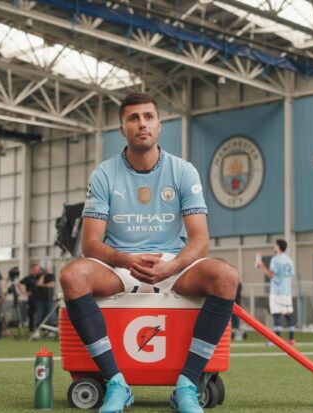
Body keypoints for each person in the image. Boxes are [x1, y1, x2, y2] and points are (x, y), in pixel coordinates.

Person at [59, 93, 239, 413]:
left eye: (148, 117)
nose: (141, 123)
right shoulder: (104, 173)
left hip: (172, 263)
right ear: (122, 129)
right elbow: (91, 244)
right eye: (133, 118)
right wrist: (126, 260)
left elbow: (199, 239)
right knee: (72, 276)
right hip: (121, 264)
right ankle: (116, 382)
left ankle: (187, 384)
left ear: (159, 125)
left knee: (226, 276)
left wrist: (172, 267)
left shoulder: (183, 171)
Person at [256, 239, 295, 345]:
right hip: (287, 291)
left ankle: (276, 340)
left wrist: (261, 266)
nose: (274, 247)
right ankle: (291, 338)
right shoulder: (289, 260)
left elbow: (271, 275)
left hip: (277, 290)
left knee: (276, 314)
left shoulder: (275, 259)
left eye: (275, 245)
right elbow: (291, 274)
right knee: (288, 314)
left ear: (278, 247)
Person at [18, 264, 41, 332]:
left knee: (39, 313)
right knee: (31, 313)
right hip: (32, 299)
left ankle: (38, 327)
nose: (38, 271)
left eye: (38, 269)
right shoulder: (28, 278)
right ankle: (31, 329)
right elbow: (18, 284)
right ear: (32, 270)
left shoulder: (38, 277)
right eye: (36, 269)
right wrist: (24, 293)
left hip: (39, 298)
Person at [35, 264, 56, 331]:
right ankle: (38, 330)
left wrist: (43, 285)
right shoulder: (39, 276)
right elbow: (38, 283)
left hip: (49, 300)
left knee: (50, 316)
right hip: (40, 300)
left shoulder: (51, 276)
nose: (46, 270)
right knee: (39, 316)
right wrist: (43, 275)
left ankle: (49, 331)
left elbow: (52, 284)